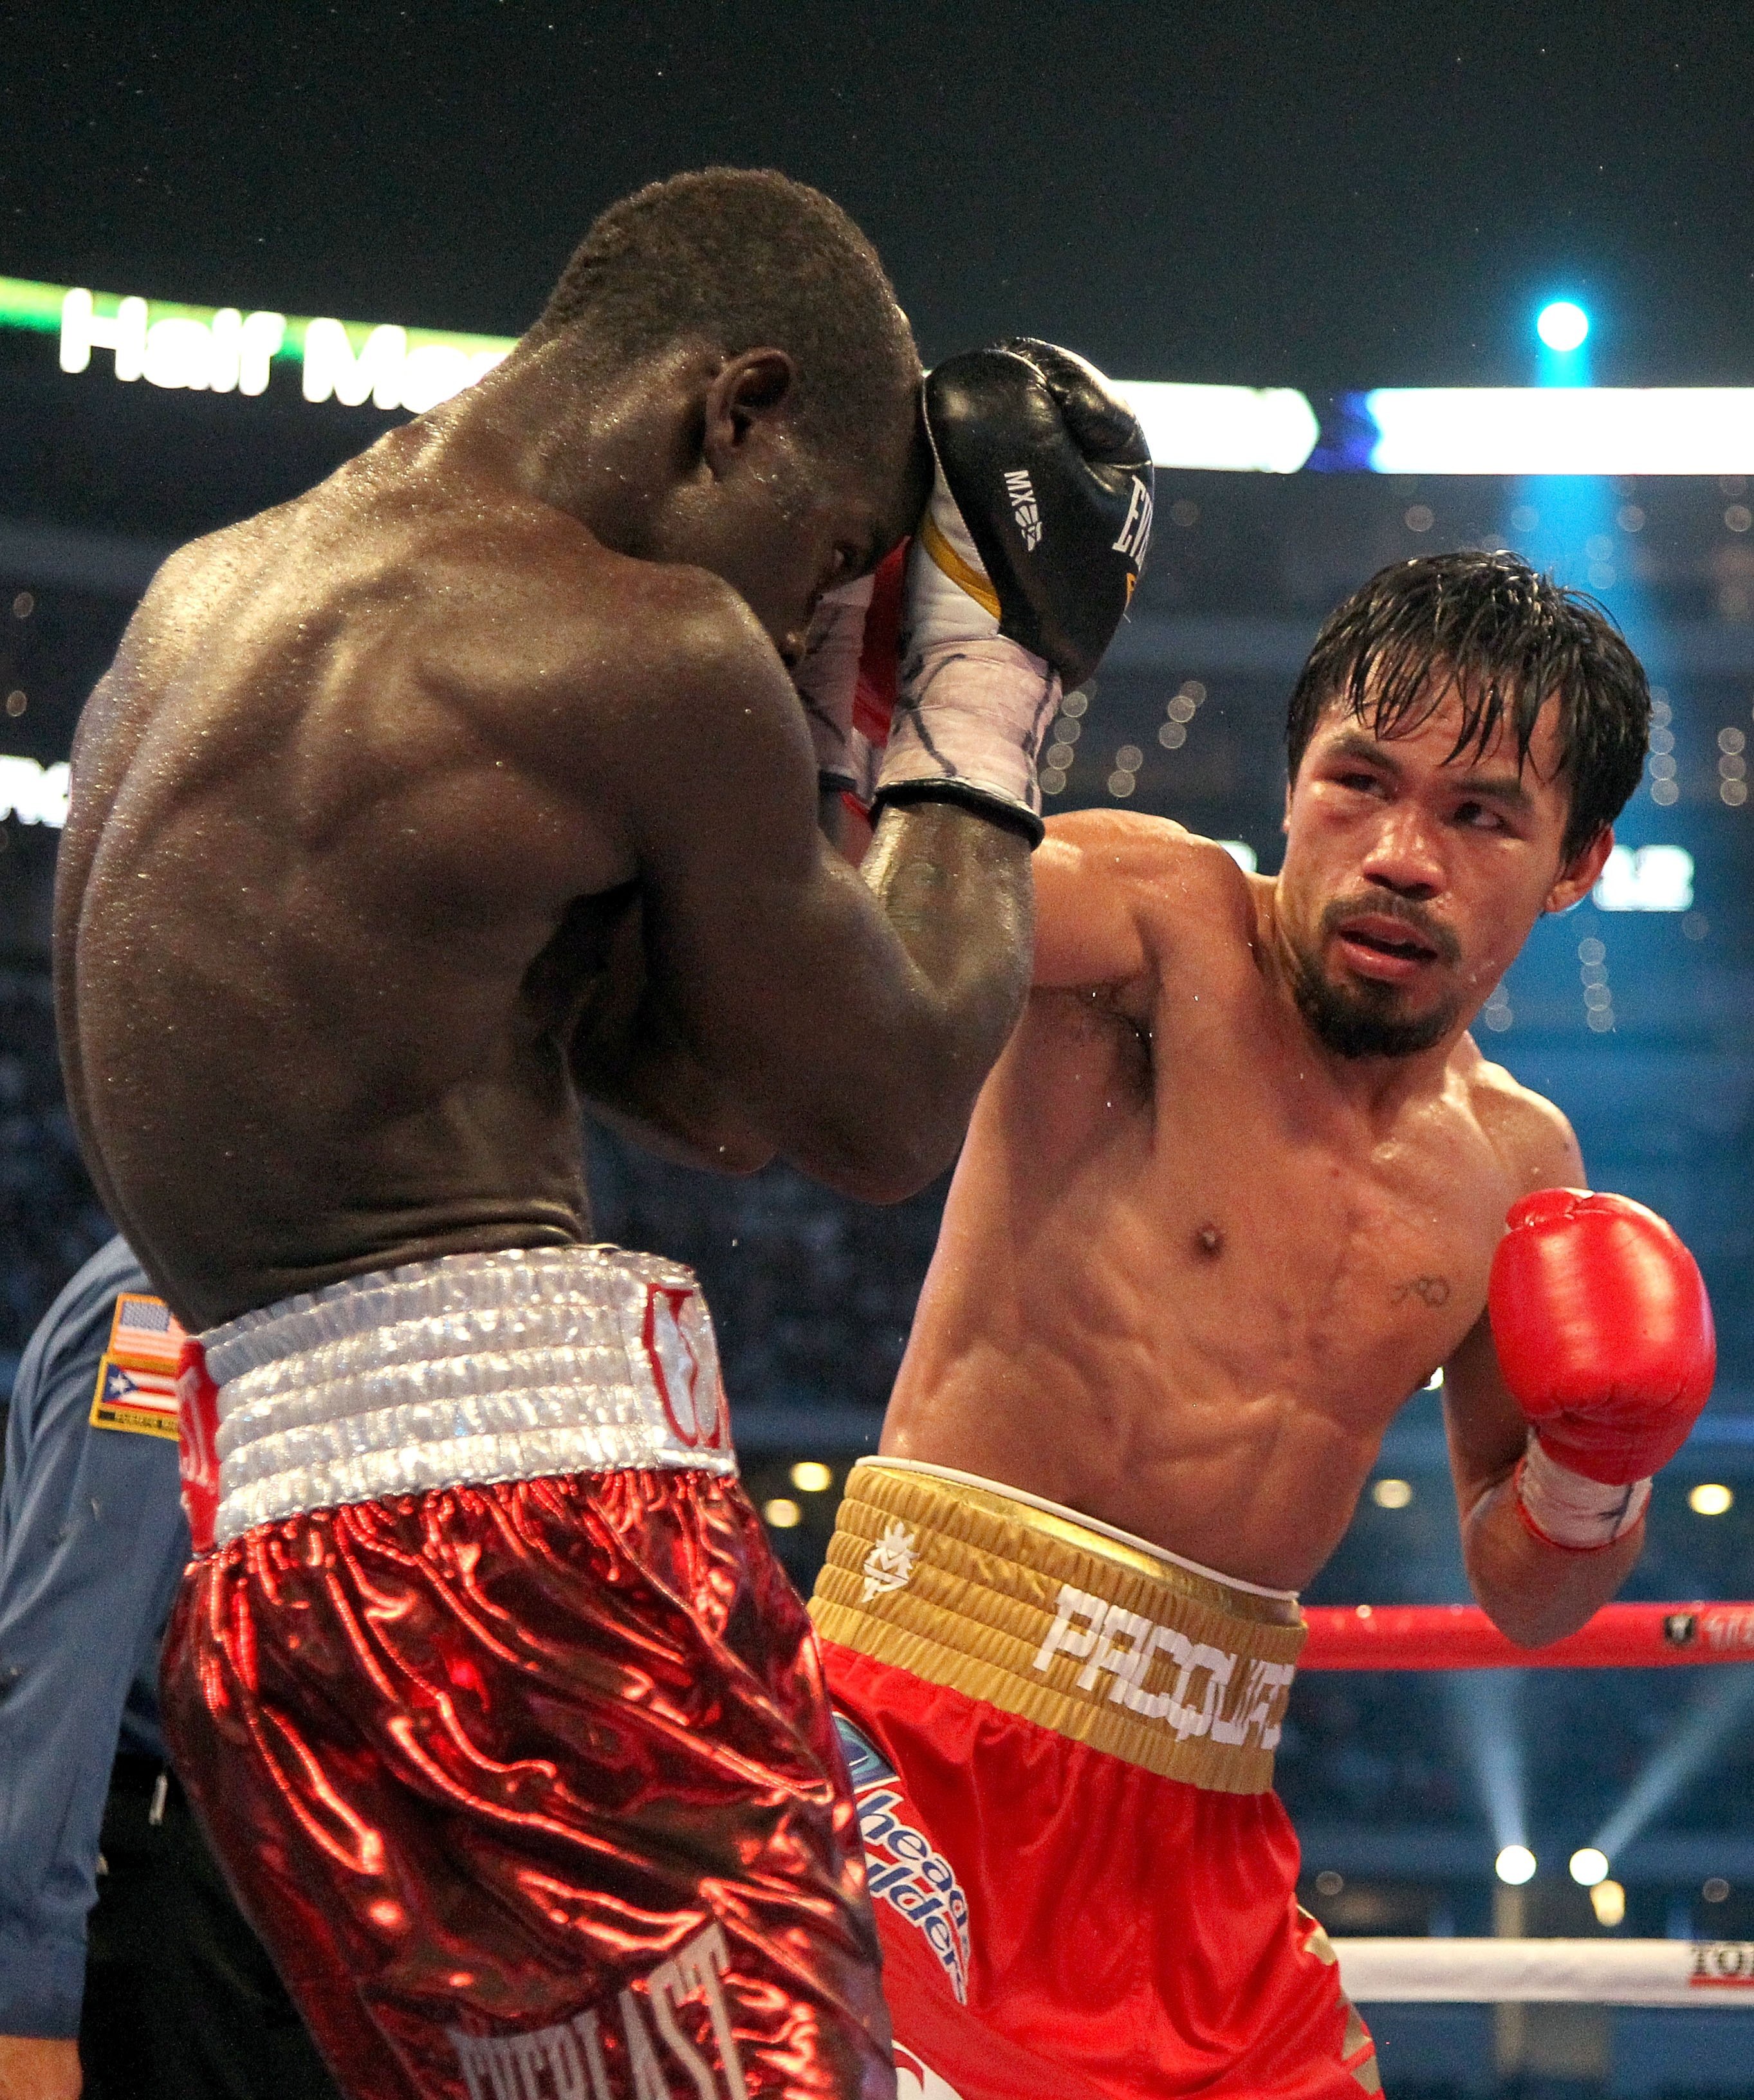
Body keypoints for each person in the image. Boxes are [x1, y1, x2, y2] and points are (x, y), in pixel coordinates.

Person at [53, 167, 1153, 2100]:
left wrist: (815, 732)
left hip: (266, 1601)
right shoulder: (638, 650)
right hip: (532, 1566)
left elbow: (729, 1100)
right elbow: (884, 1114)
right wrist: (984, 714)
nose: (819, 613)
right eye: (825, 555)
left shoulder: (204, 607)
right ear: (730, 406)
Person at [811, 551, 1717, 2100]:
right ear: (1291, 782)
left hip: (1207, 1826)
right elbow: (877, 936)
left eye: (1478, 813)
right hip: (923, 1743)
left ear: (1575, 867)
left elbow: (1532, 1600)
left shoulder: (1519, 1167)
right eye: (1357, 783)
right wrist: (890, 692)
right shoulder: (1154, 930)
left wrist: (1600, 1460)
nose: (1398, 854)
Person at [0, 1235, 340, 2100]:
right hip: (171, 1896)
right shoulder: (167, 1309)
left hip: (261, 1885)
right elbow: (63, 1661)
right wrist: (27, 2002)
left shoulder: (269, 1285)